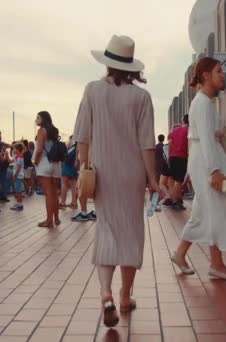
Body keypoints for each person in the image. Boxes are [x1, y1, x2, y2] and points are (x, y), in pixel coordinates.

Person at [73, 35, 159, 327]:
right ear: (132, 67)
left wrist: (84, 168)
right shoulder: (141, 97)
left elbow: (82, 135)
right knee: (131, 232)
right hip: (132, 174)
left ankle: (105, 293)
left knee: (106, 230)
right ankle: (125, 296)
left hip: (102, 172)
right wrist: (153, 179)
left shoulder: (92, 91)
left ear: (107, 63)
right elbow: (147, 144)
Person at [171, 57, 226, 281]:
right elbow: (206, 141)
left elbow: (209, 137)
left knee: (204, 210)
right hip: (207, 162)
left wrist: (221, 149)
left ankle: (182, 254)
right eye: (219, 71)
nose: (223, 75)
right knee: (215, 208)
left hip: (206, 159)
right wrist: (214, 170)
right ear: (205, 76)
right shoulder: (202, 103)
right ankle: (216, 264)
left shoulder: (205, 102)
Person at [33, 111, 62, 228]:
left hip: (44, 163)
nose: (36, 119)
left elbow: (39, 149)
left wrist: (35, 161)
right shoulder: (54, 131)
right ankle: (56, 218)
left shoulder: (41, 131)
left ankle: (49, 221)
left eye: (38, 117)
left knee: (48, 194)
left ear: (43, 119)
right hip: (56, 164)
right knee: (54, 193)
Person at [167, 114, 190, 210]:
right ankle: (175, 201)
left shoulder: (175, 130)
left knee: (172, 180)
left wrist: (169, 156)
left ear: (182, 121)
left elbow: (170, 144)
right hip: (182, 157)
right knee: (179, 181)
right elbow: (189, 146)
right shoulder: (189, 131)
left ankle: (176, 200)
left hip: (172, 157)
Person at [60, 136, 78, 209]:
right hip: (74, 167)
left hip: (67, 166)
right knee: (74, 186)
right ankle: (74, 203)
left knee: (64, 184)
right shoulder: (78, 145)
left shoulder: (71, 145)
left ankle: (63, 202)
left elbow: (65, 155)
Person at [9, 143, 25, 211]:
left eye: (14, 148)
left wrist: (15, 176)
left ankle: (20, 205)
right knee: (18, 190)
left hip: (18, 176)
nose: (13, 150)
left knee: (18, 191)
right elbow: (10, 161)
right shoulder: (17, 156)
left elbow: (18, 167)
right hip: (18, 175)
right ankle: (19, 203)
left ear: (18, 149)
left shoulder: (19, 157)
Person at [0, 132, 11, 203]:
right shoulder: (2, 145)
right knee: (3, 181)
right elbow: (10, 145)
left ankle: (0, 196)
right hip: (2, 166)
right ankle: (3, 196)